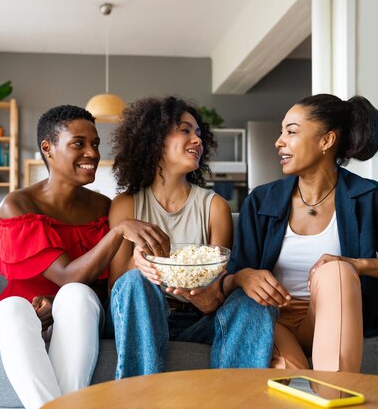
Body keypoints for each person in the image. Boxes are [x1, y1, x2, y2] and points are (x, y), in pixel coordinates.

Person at [219, 94, 378, 372]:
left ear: (326, 141)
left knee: (337, 272)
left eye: (291, 131)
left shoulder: (369, 198)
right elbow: (231, 277)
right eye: (282, 132)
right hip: (271, 319)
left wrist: (357, 265)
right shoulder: (260, 201)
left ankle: (337, 391)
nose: (279, 141)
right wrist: (244, 276)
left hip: (331, 318)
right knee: (291, 378)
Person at [0, 105, 169, 409]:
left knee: (77, 295)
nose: (92, 153)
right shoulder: (18, 204)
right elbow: (66, 274)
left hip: (75, 316)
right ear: (48, 149)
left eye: (94, 143)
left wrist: (59, 306)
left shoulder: (103, 207)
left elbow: (102, 284)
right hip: (18, 320)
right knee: (16, 308)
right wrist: (119, 230)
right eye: (78, 143)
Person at [108, 96, 277, 379]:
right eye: (185, 130)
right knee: (134, 281)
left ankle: (238, 399)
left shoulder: (215, 207)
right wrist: (138, 262)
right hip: (144, 314)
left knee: (253, 302)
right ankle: (138, 398)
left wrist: (207, 298)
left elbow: (217, 289)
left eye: (198, 133)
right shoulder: (126, 205)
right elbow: (116, 285)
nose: (197, 140)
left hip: (197, 319)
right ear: (155, 138)